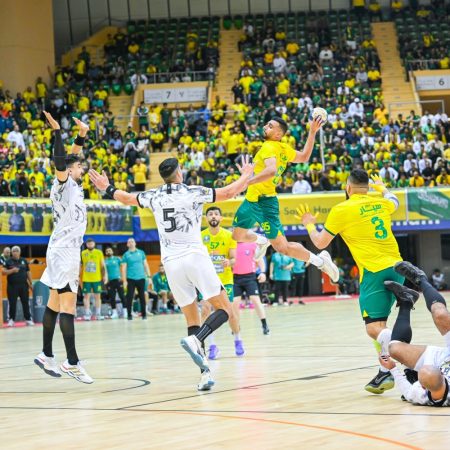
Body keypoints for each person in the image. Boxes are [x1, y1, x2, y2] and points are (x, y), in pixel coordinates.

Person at [89, 155, 254, 391]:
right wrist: (246, 175)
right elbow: (228, 192)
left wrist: (107, 187)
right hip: (194, 257)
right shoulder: (192, 191)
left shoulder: (153, 195)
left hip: (171, 264)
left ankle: (205, 374)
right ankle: (198, 339)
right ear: (178, 173)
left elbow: (125, 198)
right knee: (226, 310)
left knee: (192, 319)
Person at [297, 169, 403, 394]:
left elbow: (320, 243)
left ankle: (404, 368)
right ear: (367, 187)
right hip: (397, 268)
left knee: (374, 328)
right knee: (379, 324)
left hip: (374, 271)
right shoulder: (381, 203)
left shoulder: (342, 209)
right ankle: (384, 371)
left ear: (348, 187)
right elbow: (394, 200)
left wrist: (308, 224)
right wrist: (382, 188)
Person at [231, 116, 339, 284]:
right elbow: (304, 157)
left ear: (278, 134)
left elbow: (271, 171)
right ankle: (263, 240)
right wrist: (312, 132)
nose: (265, 126)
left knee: (284, 248)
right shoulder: (282, 148)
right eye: (267, 124)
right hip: (251, 200)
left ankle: (320, 261)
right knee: (237, 235)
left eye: (270, 126)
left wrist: (245, 182)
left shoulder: (268, 147)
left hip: (265, 204)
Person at [35, 111, 93, 384]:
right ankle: (72, 362)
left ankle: (46, 354)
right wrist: (57, 131)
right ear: (69, 171)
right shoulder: (63, 183)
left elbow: (70, 156)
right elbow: (62, 160)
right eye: (79, 167)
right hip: (65, 251)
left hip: (60, 249)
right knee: (68, 307)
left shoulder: (72, 184)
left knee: (55, 304)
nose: (82, 169)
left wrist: (81, 135)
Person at [379, 261, 450, 406]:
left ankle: (406, 300)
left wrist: (392, 368)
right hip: (443, 362)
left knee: (394, 349)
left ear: (423, 386)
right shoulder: (428, 388)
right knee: (440, 315)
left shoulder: (420, 394)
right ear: (442, 375)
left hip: (441, 361)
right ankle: (420, 279)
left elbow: (407, 392)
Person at [200, 206, 243, 359]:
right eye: (210, 214)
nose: (213, 216)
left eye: (216, 214)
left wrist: (229, 262)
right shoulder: (200, 237)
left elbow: (234, 259)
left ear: (221, 218)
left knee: (230, 313)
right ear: (206, 218)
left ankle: (237, 339)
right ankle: (212, 346)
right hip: (206, 280)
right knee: (205, 310)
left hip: (225, 280)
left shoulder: (229, 236)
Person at [233, 241, 270, 335]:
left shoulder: (252, 245)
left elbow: (259, 260)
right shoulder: (231, 244)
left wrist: (263, 272)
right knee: (235, 302)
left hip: (250, 277)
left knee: (255, 300)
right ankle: (236, 325)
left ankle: (264, 324)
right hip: (235, 278)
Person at [2, 246, 33, 326]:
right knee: (12, 303)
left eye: (17, 251)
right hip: (12, 286)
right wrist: (12, 270)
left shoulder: (24, 261)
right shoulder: (8, 261)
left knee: (26, 302)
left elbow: (28, 272)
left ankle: (28, 319)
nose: (15, 253)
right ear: (12, 253)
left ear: (19, 252)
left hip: (24, 285)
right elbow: (3, 272)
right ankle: (11, 320)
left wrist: (31, 283)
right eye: (14, 251)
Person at [121, 238, 151, 320]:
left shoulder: (141, 253)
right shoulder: (126, 255)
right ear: (127, 244)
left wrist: (149, 277)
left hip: (141, 278)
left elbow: (146, 265)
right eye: (129, 242)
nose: (131, 243)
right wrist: (124, 281)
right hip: (130, 279)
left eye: (132, 242)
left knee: (142, 296)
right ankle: (129, 315)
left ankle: (144, 315)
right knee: (129, 297)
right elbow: (123, 268)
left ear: (135, 243)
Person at [81, 238, 107, 321]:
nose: (90, 245)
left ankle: (98, 314)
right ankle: (87, 314)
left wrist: (105, 275)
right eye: (88, 243)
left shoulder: (99, 252)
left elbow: (102, 265)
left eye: (91, 243)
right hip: (86, 278)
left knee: (97, 297)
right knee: (86, 296)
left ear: (94, 244)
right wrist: (77, 276)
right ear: (86, 245)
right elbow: (79, 265)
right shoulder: (83, 253)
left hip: (97, 278)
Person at [104, 246, 125, 319]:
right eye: (107, 251)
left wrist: (123, 277)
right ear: (105, 253)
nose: (108, 252)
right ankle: (114, 313)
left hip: (118, 280)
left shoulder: (118, 259)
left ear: (112, 252)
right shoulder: (104, 261)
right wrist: (105, 279)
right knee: (112, 298)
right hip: (110, 281)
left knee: (122, 296)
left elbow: (124, 267)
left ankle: (125, 312)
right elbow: (104, 271)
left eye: (109, 250)